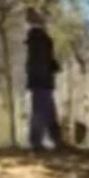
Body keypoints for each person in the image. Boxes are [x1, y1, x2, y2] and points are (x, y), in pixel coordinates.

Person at [26, 8, 64, 152]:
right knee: (41, 111)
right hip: (41, 80)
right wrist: (50, 68)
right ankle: (36, 142)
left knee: (48, 111)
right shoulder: (38, 38)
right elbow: (40, 60)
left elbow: (43, 59)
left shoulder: (39, 38)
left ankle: (56, 140)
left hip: (42, 79)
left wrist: (53, 66)